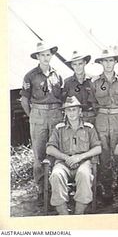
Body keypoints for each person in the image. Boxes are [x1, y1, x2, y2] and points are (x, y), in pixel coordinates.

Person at [88, 49, 118, 203]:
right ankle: (106, 188)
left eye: (111, 60)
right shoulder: (95, 82)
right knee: (104, 154)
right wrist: (103, 112)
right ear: (101, 63)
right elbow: (92, 102)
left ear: (115, 62)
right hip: (101, 118)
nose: (108, 63)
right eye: (105, 61)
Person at [20, 41, 64, 201]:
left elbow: (62, 98)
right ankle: (41, 189)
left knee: (56, 149)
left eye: (48, 54)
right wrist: (32, 115)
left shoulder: (57, 75)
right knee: (39, 154)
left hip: (56, 114)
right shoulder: (30, 76)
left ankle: (57, 186)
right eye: (42, 55)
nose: (46, 58)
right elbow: (24, 100)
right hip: (38, 115)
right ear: (37, 57)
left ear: (51, 56)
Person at [46, 96, 102, 215]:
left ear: (80, 111)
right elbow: (49, 148)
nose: (71, 113)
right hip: (63, 163)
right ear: (65, 112)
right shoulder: (59, 128)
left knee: (84, 174)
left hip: (83, 162)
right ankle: (64, 215)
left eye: (74, 109)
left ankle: (78, 214)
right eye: (68, 110)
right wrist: (66, 158)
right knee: (56, 175)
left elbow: (98, 148)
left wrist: (80, 157)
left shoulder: (88, 128)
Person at [62, 50, 95, 124]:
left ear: (85, 63)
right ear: (72, 66)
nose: (78, 67)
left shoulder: (92, 81)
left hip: (91, 117)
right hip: (75, 118)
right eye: (75, 64)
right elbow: (64, 101)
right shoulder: (67, 82)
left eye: (80, 64)